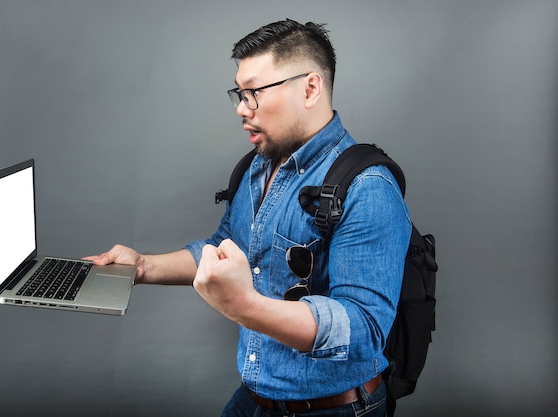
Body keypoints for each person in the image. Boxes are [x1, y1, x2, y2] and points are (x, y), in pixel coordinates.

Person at [85, 19, 412, 417]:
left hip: (333, 409)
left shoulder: (367, 187)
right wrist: (143, 266)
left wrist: (244, 306)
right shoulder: (257, 168)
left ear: (310, 88)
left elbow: (364, 329)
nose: (242, 109)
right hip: (255, 401)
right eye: (239, 94)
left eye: (254, 93)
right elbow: (225, 246)